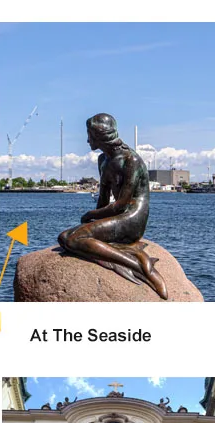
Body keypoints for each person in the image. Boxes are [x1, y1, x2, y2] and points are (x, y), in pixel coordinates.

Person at [57, 113, 166, 299]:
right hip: (117, 216)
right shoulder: (103, 161)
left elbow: (121, 204)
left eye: (89, 135)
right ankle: (127, 253)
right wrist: (93, 217)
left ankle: (141, 267)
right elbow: (103, 199)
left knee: (75, 239)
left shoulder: (131, 160)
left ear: (100, 135)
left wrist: (89, 215)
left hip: (132, 218)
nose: (87, 140)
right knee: (64, 237)